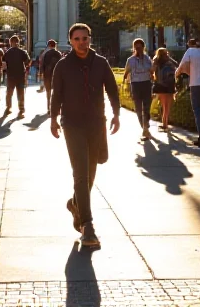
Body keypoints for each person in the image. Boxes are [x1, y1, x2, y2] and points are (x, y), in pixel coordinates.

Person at [51, 23, 120, 249]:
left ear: (90, 39)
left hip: (96, 124)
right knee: (80, 173)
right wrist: (53, 119)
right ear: (70, 40)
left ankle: (75, 204)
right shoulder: (62, 66)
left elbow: (112, 89)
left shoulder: (101, 63)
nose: (82, 42)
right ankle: (87, 226)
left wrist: (116, 114)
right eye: (77, 38)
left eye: (85, 38)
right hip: (72, 125)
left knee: (90, 173)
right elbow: (56, 95)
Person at [122, 38, 153, 140]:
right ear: (134, 48)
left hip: (146, 84)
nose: (138, 49)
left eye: (140, 47)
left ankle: (146, 128)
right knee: (139, 109)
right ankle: (144, 127)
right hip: (135, 85)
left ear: (143, 47)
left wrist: (153, 78)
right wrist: (125, 84)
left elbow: (152, 71)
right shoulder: (130, 60)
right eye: (136, 47)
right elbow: (126, 73)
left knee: (147, 108)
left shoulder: (148, 59)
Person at [151, 46, 179, 130]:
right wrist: (169, 58)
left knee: (164, 105)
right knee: (168, 106)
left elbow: (152, 71)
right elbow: (177, 65)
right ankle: (165, 123)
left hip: (160, 85)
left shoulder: (156, 61)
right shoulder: (169, 62)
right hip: (170, 85)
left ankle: (164, 123)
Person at [3, 35, 31, 117]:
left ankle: (8, 108)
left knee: (9, 93)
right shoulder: (22, 52)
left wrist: (5, 73)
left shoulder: (7, 53)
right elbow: (28, 62)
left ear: (10, 42)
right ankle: (21, 109)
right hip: (20, 76)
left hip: (10, 76)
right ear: (18, 42)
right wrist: (26, 69)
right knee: (20, 93)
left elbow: (4, 65)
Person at [41, 39, 62, 114]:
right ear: (55, 45)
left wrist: (41, 74)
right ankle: (57, 108)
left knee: (48, 92)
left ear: (49, 45)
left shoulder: (46, 54)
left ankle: (49, 108)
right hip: (57, 75)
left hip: (47, 75)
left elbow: (43, 64)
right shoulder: (59, 53)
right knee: (57, 92)